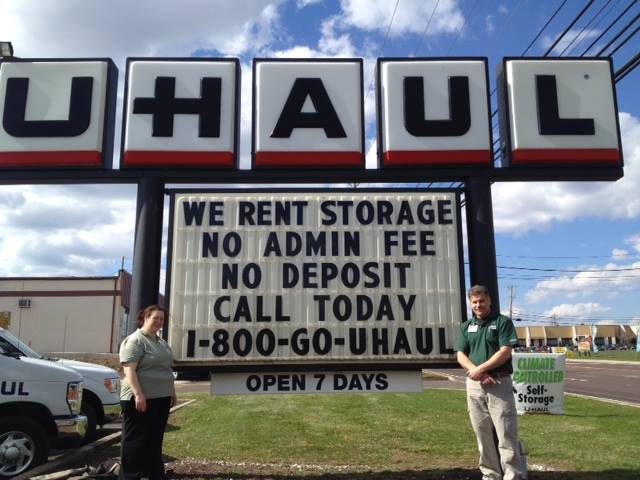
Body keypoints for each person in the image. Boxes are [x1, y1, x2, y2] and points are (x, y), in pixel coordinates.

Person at [454, 285, 524, 480]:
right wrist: (476, 372)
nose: (478, 305)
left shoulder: (502, 322)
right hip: (475, 385)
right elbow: (460, 355)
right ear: (470, 304)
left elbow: (505, 352)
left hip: (499, 383)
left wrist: (480, 369)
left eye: (482, 301)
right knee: (482, 433)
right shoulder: (466, 327)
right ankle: (490, 475)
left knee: (506, 432)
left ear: (489, 301)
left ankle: (513, 476)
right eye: (474, 302)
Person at [119, 305, 177, 480]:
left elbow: (166, 369)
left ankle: (154, 474)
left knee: (154, 439)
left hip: (161, 398)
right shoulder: (135, 340)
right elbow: (129, 370)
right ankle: (130, 476)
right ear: (145, 318)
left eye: (162, 319)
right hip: (140, 398)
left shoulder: (161, 342)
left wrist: (172, 392)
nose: (159, 322)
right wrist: (138, 394)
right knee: (135, 440)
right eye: (155, 318)